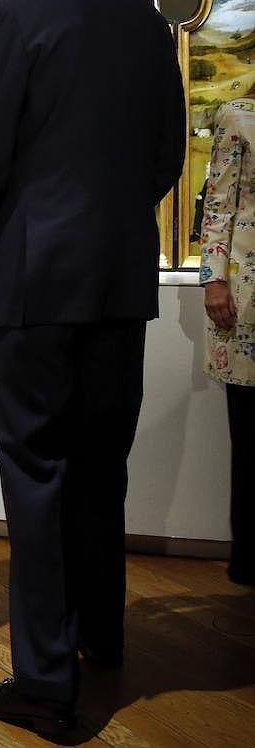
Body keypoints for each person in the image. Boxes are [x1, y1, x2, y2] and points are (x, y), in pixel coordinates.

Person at [0, 0, 186, 739]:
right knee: (101, 466)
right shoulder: (145, 20)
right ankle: (103, 640)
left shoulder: (9, 11)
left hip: (39, 277)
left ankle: (47, 687)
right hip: (120, 278)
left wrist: (4, 226)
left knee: (38, 472)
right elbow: (167, 147)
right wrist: (116, 222)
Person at [200, 93, 255, 587]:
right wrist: (212, 279)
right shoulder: (240, 115)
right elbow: (217, 203)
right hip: (250, 294)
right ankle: (251, 555)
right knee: (251, 429)